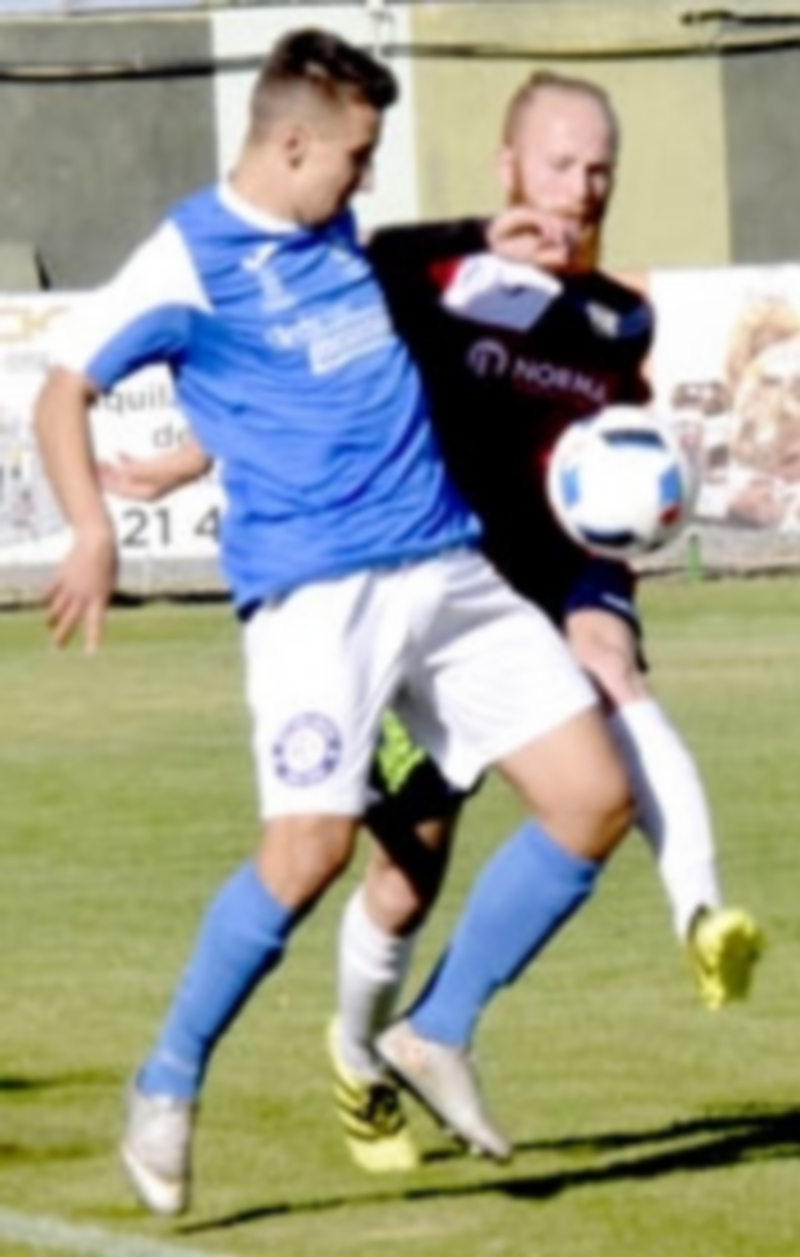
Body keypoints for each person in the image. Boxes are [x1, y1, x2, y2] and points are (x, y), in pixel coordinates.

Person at [97, 70, 764, 1176]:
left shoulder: (618, 317)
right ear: (509, 166)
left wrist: (631, 518)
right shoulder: (446, 277)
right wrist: (192, 452)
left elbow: (613, 446)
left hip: (541, 581)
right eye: (560, 164)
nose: (582, 188)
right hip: (411, 571)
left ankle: (669, 926)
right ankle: (357, 1060)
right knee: (402, 871)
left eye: (600, 170)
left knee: (604, 722)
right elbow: (313, 366)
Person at [34, 30, 634, 1215]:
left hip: (445, 567)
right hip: (317, 597)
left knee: (591, 799)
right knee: (306, 856)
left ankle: (433, 1029)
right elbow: (64, 391)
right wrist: (92, 529)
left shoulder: (332, 228)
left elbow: (336, 340)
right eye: (356, 156)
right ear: (294, 144)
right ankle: (167, 1079)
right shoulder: (186, 257)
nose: (364, 178)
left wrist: (484, 234)